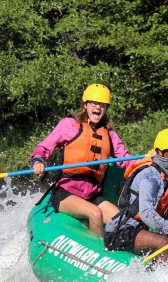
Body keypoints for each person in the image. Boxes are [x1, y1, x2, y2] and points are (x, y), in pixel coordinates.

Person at [31, 84, 135, 237]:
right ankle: (99, 254)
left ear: (106, 108)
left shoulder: (109, 133)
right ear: (85, 105)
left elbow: (126, 159)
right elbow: (44, 147)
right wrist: (38, 160)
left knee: (124, 220)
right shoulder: (69, 125)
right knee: (95, 213)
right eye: (94, 103)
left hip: (92, 194)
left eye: (102, 105)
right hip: (66, 192)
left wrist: (146, 163)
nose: (98, 108)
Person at [104, 129, 168, 260]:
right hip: (120, 232)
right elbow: (146, 213)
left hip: (143, 233)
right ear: (160, 152)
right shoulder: (150, 175)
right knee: (164, 242)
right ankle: (156, 276)